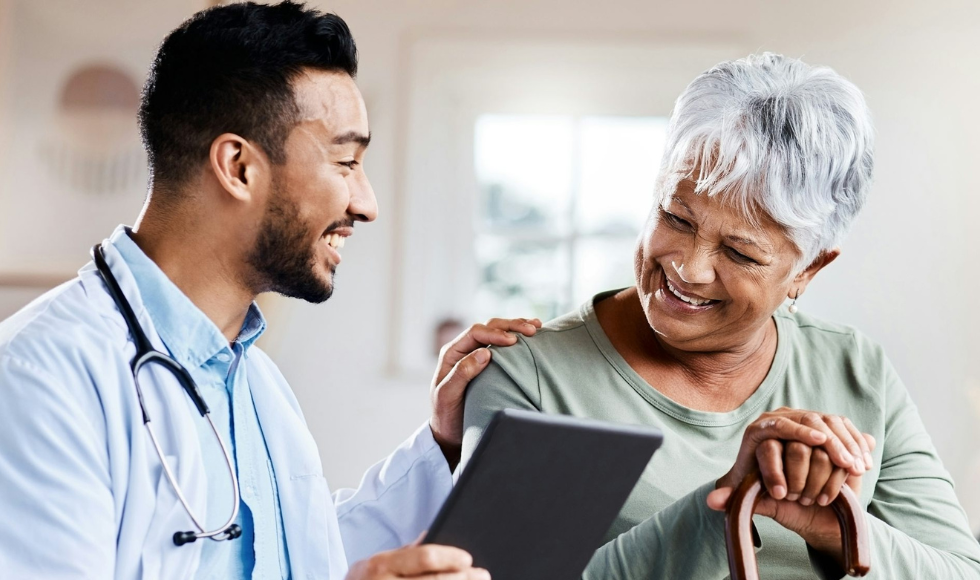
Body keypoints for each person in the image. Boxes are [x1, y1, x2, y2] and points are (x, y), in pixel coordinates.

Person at [0, 2, 542, 578]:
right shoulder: (38, 378)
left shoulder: (255, 382)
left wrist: (443, 443)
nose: (366, 204)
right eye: (345, 161)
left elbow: (300, 559)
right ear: (238, 166)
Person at [461, 53, 980, 578]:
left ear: (809, 269)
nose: (688, 268)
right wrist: (727, 504)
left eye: (740, 253)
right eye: (675, 217)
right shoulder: (528, 376)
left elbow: (960, 571)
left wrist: (830, 525)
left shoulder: (856, 368)